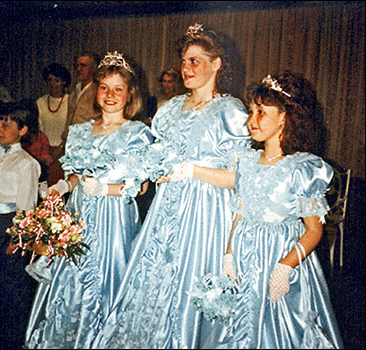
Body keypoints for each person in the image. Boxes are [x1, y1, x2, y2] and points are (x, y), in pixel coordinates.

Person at [92, 23, 251, 349]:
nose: (186, 68)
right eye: (183, 61)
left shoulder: (231, 113)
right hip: (165, 215)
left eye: (195, 60)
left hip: (206, 219)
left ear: (216, 64)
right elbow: (150, 165)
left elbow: (242, 179)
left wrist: (192, 170)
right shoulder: (169, 111)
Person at [197, 72, 343, 349]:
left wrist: (285, 268)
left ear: (284, 117)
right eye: (251, 111)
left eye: (261, 112)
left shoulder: (302, 168)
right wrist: (229, 254)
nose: (251, 120)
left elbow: (314, 230)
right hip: (244, 258)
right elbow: (239, 212)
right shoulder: (247, 162)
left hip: (280, 259)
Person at [24, 50, 154, 349]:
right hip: (79, 215)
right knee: (72, 280)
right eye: (104, 88)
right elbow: (76, 176)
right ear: (96, 91)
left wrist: (106, 190)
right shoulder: (81, 132)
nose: (110, 95)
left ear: (129, 94)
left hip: (115, 219)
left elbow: (142, 187)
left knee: (108, 280)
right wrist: (63, 186)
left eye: (118, 89)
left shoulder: (137, 134)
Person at [0, 102, 41, 349]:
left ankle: (11, 339)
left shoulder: (26, 163)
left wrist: (18, 238)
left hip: (6, 227)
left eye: (6, 123)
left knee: (9, 287)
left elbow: (27, 206)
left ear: (22, 130)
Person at [36, 63, 71, 186]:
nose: (53, 84)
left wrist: (61, 149)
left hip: (64, 152)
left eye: (57, 80)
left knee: (58, 191)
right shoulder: (40, 102)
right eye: (50, 80)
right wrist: (44, 153)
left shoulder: (70, 101)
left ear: (64, 82)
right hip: (44, 153)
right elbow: (39, 129)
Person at [62, 52, 102, 145]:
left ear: (94, 68)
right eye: (77, 66)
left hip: (89, 144)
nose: (79, 69)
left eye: (83, 66)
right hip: (70, 143)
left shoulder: (99, 92)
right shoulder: (74, 92)